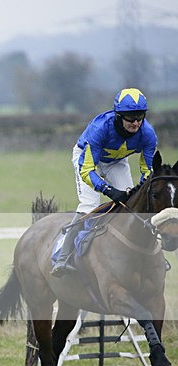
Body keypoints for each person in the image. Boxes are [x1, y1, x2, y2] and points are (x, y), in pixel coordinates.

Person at [51, 87, 158, 277]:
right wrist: (107, 190)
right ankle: (63, 256)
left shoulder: (148, 134)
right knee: (90, 204)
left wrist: (140, 188)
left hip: (117, 162)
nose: (135, 122)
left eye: (140, 116)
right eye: (129, 116)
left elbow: (147, 170)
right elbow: (87, 170)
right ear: (118, 116)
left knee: (130, 203)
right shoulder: (100, 129)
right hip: (88, 160)